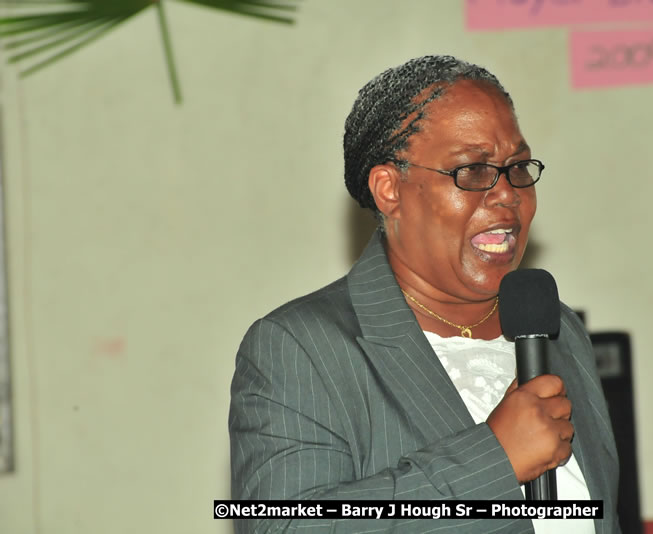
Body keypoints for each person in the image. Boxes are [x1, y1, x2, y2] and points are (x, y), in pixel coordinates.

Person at [229, 55, 621, 533]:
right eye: (473, 171)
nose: (507, 194)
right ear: (389, 189)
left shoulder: (556, 330)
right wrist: (494, 460)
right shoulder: (301, 348)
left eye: (517, 167)